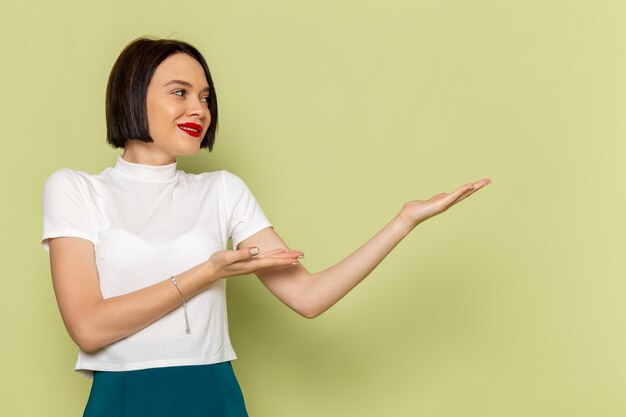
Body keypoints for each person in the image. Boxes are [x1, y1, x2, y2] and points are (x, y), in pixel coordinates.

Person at [41, 36, 491, 417]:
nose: (199, 108)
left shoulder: (222, 190)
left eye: (205, 97)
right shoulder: (76, 190)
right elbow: (89, 327)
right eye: (180, 92)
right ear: (132, 94)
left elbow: (308, 297)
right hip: (123, 395)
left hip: (212, 390)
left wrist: (403, 222)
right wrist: (208, 272)